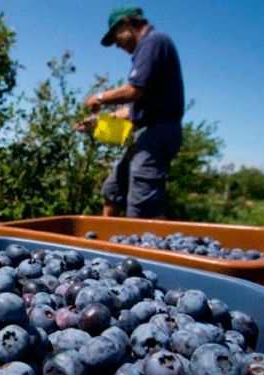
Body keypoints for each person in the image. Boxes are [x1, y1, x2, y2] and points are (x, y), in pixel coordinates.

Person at [77, 6, 184, 218]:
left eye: (116, 38)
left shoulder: (154, 41)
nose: (117, 45)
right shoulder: (148, 48)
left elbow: (134, 91)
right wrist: (97, 123)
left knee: (142, 206)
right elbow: (135, 110)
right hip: (146, 132)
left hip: (158, 133)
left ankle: (144, 246)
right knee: (113, 190)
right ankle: (108, 244)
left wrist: (99, 98)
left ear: (126, 25)